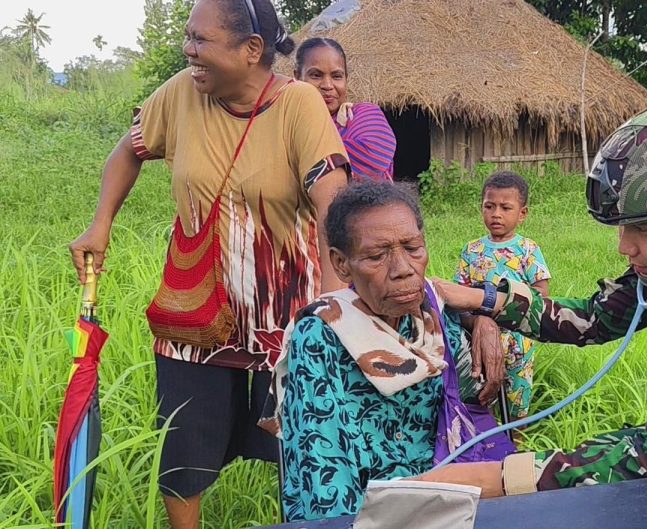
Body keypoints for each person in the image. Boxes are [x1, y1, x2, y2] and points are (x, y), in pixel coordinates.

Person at [68, 0, 349, 527]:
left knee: (304, 443)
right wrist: (100, 222)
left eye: (201, 39)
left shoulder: (299, 104)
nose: (188, 50)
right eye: (188, 37)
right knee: (183, 442)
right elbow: (129, 149)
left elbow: (333, 200)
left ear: (251, 51)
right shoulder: (181, 92)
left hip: (284, 313)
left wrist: (333, 310)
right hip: (195, 307)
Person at [416, 97, 647, 498]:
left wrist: (502, 477)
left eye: (641, 230)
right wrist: (482, 298)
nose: (625, 248)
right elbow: (594, 319)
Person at [260, 181, 516, 522]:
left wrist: (483, 319)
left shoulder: (433, 315)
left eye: (413, 248)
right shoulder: (322, 335)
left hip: (446, 492)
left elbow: (470, 401)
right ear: (341, 264)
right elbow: (323, 475)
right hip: (367, 509)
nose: (403, 269)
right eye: (377, 256)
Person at [454, 171, 551, 422]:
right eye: (489, 206)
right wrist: (473, 319)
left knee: (517, 394)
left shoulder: (528, 249)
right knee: (480, 390)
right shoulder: (472, 250)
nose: (496, 214)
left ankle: (516, 441)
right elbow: (459, 295)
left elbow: (541, 293)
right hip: (479, 338)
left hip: (519, 340)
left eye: (506, 208)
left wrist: (507, 308)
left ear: (522, 213)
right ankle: (487, 438)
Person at [294, 37, 396, 181]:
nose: (328, 85)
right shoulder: (287, 123)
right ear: (297, 78)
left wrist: (297, 150)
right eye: (316, 75)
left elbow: (374, 157)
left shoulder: (363, 115)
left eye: (337, 76)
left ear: (346, 79)